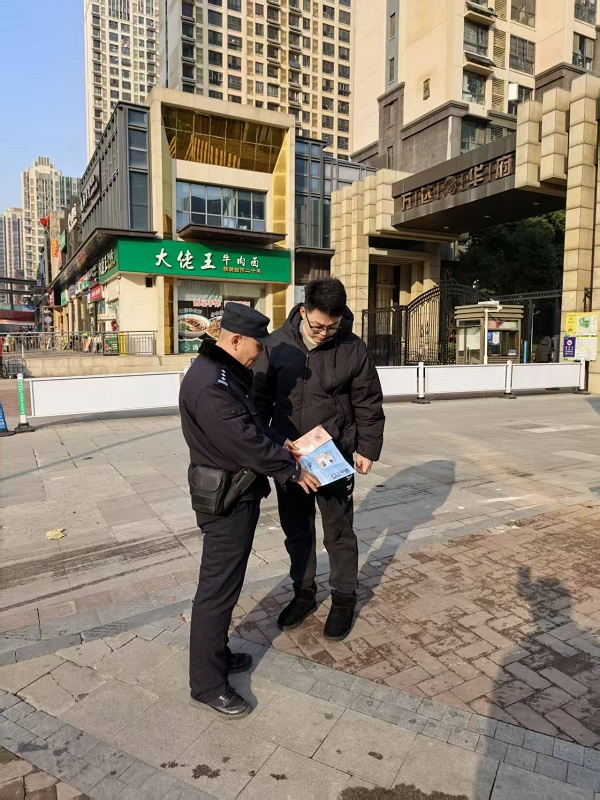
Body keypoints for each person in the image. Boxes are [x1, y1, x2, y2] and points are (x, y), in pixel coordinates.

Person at [180, 302, 319, 718]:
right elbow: (244, 443)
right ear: (236, 339)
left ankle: (217, 655)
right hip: (226, 499)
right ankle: (207, 684)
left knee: (225, 586)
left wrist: (281, 444)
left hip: (235, 491)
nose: (260, 354)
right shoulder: (211, 384)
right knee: (217, 591)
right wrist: (290, 469)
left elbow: (251, 426)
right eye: (257, 345)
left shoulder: (220, 373)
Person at [254, 278, 385, 641]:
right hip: (291, 457)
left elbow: (367, 401)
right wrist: (273, 444)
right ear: (303, 311)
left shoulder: (352, 348)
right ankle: (304, 592)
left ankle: (344, 597)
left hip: (334, 454)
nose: (325, 333)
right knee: (296, 529)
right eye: (317, 326)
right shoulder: (276, 345)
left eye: (333, 326)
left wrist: (367, 448)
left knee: (338, 530)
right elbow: (259, 403)